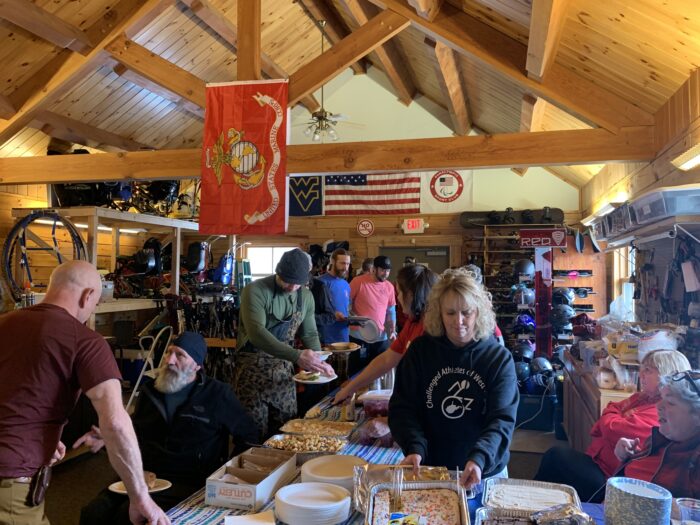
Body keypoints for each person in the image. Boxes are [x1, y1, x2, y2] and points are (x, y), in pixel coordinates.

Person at [0, 260, 169, 525]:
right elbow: (115, 423)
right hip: (10, 482)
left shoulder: (5, 322)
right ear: (88, 295)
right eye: (96, 303)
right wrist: (141, 498)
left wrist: (39, 436)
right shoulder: (85, 340)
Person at [78, 332, 259, 524]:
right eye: (169, 352)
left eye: (180, 355)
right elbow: (135, 433)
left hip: (190, 481)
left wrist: (227, 475)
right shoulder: (150, 391)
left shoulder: (217, 394)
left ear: (197, 365)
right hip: (144, 477)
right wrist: (107, 439)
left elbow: (249, 435)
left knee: (125, 516)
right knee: (93, 513)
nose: (169, 360)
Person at [389, 268, 518, 490]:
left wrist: (479, 458)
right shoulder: (420, 351)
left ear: (478, 312)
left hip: (484, 472)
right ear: (438, 312)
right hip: (431, 469)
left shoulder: (498, 358)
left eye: (466, 312)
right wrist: (413, 446)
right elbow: (403, 407)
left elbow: (501, 419)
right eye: (450, 313)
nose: (458, 321)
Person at [534, 349, 691, 502]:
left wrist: (610, 420)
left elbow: (612, 428)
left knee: (555, 457)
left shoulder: (661, 412)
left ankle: (531, 503)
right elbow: (611, 408)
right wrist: (610, 419)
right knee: (556, 465)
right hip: (602, 464)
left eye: (648, 371)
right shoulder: (643, 398)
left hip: (611, 478)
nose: (641, 375)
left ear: (667, 376)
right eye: (642, 369)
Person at [234, 248, 334, 438]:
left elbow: (310, 333)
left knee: (286, 432)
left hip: (282, 375)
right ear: (277, 271)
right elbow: (257, 333)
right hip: (251, 373)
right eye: (287, 281)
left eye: (297, 283)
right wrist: (297, 356)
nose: (291, 287)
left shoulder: (305, 296)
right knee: (252, 435)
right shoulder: (254, 291)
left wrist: (319, 361)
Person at [333, 264, 438, 404]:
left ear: (411, 295)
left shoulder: (432, 328)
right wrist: (350, 388)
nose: (398, 298)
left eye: (400, 293)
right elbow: (387, 359)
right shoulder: (413, 322)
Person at [613, 370, 700, 499]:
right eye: (662, 398)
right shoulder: (661, 439)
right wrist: (627, 456)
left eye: (670, 402)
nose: (658, 405)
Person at [349, 255, 397, 375]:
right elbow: (347, 306)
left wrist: (391, 329)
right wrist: (356, 320)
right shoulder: (358, 282)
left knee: (380, 372)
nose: (385, 274)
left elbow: (390, 311)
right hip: (359, 337)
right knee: (358, 372)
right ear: (374, 269)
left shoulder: (389, 287)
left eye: (388, 271)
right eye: (382, 270)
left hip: (381, 338)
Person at [317, 248, 351, 344]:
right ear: (332, 261)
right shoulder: (320, 282)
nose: (346, 267)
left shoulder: (346, 284)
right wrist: (333, 315)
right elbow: (313, 312)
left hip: (344, 337)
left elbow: (346, 308)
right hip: (326, 339)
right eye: (342, 263)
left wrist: (354, 319)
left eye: (348, 264)